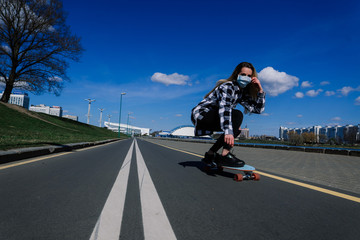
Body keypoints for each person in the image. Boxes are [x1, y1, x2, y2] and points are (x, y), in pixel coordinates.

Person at [191, 62, 266, 167]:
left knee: (237, 129)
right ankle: (225, 155)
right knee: (237, 115)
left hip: (215, 116)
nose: (246, 78)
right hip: (202, 115)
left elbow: (258, 110)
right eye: (243, 75)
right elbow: (225, 108)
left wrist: (260, 91)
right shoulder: (228, 86)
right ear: (237, 75)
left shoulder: (241, 92)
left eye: (249, 76)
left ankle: (210, 154)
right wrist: (228, 132)